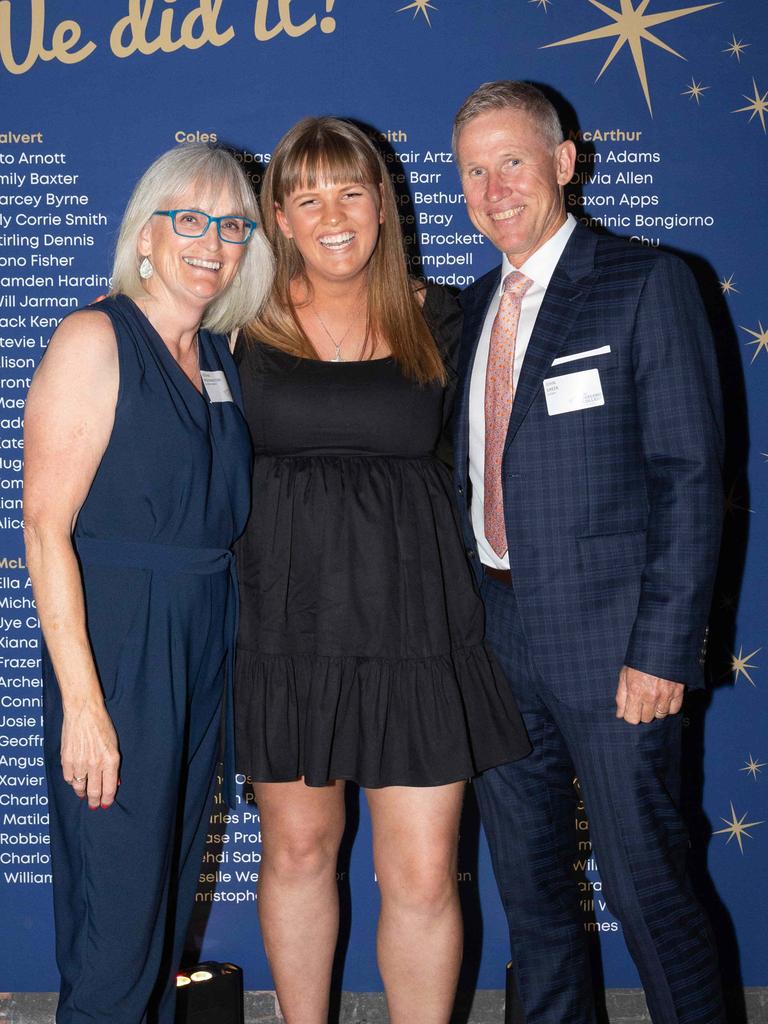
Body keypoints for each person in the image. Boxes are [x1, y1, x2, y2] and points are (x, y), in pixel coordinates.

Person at [233, 116, 530, 1024]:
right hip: (287, 627)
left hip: (418, 628)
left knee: (423, 872)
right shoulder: (237, 323)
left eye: (352, 191)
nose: (334, 213)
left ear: (382, 205)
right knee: (294, 854)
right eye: (309, 195)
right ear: (279, 215)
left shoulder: (444, 313)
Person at [450, 80, 726, 1024]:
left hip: (615, 649)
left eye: (513, 162)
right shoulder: (473, 306)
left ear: (566, 161)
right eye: (474, 171)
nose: (494, 189)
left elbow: (690, 476)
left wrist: (662, 648)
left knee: (650, 892)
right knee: (532, 903)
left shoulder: (646, 282)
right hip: (494, 642)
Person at [23, 143, 274, 1023]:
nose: (213, 241)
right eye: (190, 219)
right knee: (118, 914)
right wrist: (85, 706)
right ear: (146, 234)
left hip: (205, 639)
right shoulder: (95, 337)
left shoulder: (214, 353)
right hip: (123, 647)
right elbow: (44, 529)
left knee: (162, 911)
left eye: (233, 225)